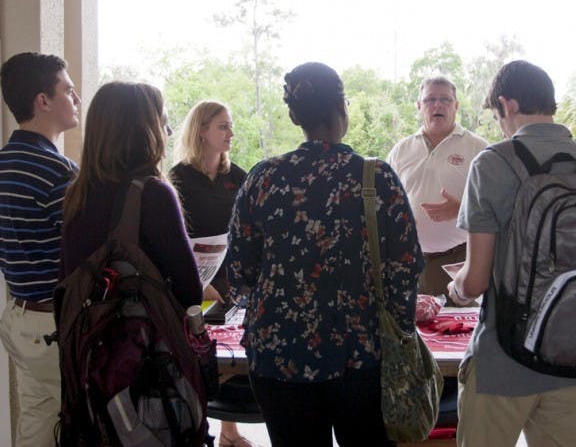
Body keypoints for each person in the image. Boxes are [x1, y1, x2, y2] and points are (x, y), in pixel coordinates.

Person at [227, 62, 423, 447]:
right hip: (359, 356)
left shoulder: (263, 178)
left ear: (293, 115)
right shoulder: (375, 178)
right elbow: (405, 270)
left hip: (279, 355)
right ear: (343, 108)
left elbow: (239, 273)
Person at [448, 60, 576, 447]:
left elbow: (476, 281)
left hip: (505, 360)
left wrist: (455, 289)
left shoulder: (492, 163)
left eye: (497, 116)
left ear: (507, 105)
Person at [60, 81, 201, 311]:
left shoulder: (77, 194)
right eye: (163, 122)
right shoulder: (153, 194)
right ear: (144, 131)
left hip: (85, 340)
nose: (169, 132)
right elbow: (190, 292)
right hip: (139, 341)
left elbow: (66, 282)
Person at [0, 52, 80, 447]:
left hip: (18, 319)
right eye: (68, 89)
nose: (76, 98)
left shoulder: (3, 164)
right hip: (54, 325)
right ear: (42, 101)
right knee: (89, 421)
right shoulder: (58, 171)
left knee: (36, 424)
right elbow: (82, 252)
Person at [169, 100, 255, 447]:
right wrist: (198, 283)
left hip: (234, 278)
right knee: (200, 356)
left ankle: (229, 433)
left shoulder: (238, 176)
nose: (230, 133)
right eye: (223, 126)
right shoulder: (178, 178)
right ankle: (198, 429)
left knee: (235, 357)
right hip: (194, 281)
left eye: (231, 126)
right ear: (201, 130)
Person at [387, 76, 487, 304]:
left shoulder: (479, 149)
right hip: (410, 262)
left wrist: (461, 210)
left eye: (445, 99)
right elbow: (387, 206)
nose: (438, 105)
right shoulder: (400, 151)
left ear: (456, 106)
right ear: (419, 106)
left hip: (460, 264)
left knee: (459, 336)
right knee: (412, 336)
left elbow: (498, 210)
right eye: (430, 99)